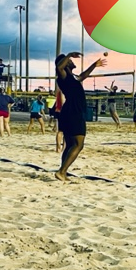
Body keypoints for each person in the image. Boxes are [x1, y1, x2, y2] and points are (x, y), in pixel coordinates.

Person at [55, 52, 106, 182]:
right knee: (78, 144)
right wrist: (69, 55)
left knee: (71, 144)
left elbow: (83, 76)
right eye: (70, 61)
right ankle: (61, 172)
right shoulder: (63, 76)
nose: (72, 61)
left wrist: (94, 65)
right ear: (65, 64)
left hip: (70, 112)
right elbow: (59, 68)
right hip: (73, 112)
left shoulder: (72, 77)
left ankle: (63, 171)